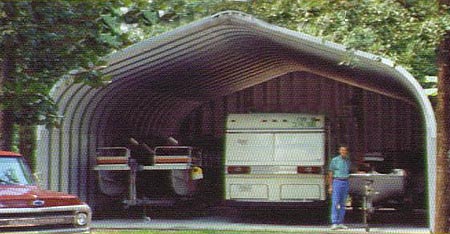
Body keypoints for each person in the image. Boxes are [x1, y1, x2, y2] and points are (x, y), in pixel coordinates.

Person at [328, 145, 351, 230]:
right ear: (339, 151)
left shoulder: (348, 160)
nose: (343, 152)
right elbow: (330, 173)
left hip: (345, 181)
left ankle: (341, 222)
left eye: (345, 150)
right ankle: (334, 222)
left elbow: (349, 171)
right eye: (342, 150)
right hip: (337, 181)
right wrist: (330, 186)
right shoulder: (335, 160)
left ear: (346, 152)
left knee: (343, 203)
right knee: (335, 203)